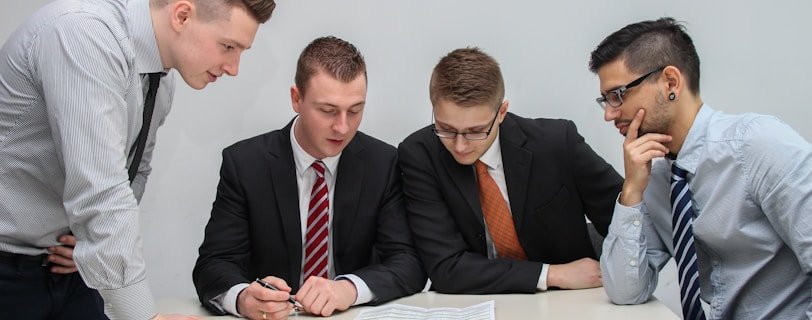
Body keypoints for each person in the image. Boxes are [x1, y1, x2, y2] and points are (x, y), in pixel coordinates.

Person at [0, 0, 275, 319]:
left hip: (67, 272)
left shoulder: (161, 79)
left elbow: (133, 172)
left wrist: (90, 246)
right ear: (182, 15)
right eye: (228, 46)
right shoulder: (83, 32)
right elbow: (102, 194)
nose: (233, 67)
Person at [589, 17, 812, 319]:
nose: (610, 114)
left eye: (618, 95)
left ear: (670, 82)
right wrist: (631, 191)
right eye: (606, 100)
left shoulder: (758, 145)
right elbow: (625, 292)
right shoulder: (655, 179)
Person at [193, 36, 427, 320]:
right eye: (327, 111)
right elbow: (214, 263)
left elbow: (408, 262)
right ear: (297, 99)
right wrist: (243, 298)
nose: (342, 127)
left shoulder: (383, 163)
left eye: (354, 111)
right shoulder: (245, 164)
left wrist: (348, 289)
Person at [398, 47, 622, 294]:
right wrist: (552, 274)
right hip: (476, 303)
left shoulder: (557, 143)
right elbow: (446, 269)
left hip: (571, 301)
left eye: (476, 131)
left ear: (502, 112)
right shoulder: (419, 154)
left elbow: (626, 224)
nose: (460, 146)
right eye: (446, 128)